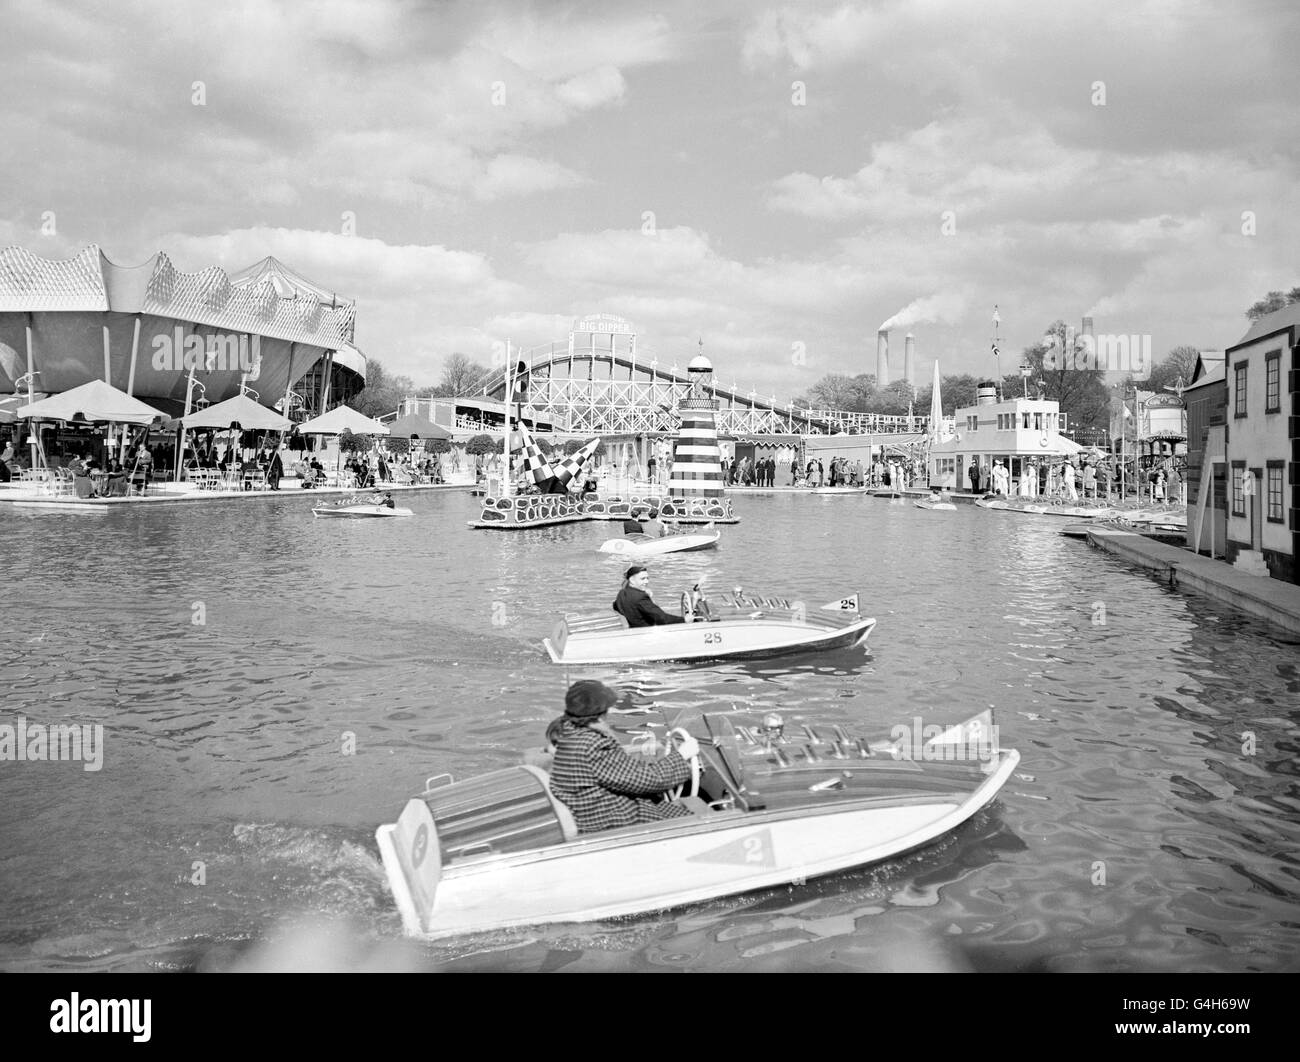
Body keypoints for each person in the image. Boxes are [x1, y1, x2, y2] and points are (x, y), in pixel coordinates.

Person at [547, 680, 698, 834]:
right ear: (602, 713)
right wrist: (682, 755)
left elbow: (623, 773)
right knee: (698, 821)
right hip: (618, 822)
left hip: (596, 814)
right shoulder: (595, 746)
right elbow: (649, 780)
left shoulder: (567, 736)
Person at [613, 565, 685, 627]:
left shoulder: (621, 593)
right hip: (646, 632)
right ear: (632, 580)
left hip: (633, 628)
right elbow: (662, 619)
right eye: (642, 579)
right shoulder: (640, 597)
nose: (646, 581)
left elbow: (616, 606)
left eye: (647, 578)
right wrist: (684, 619)